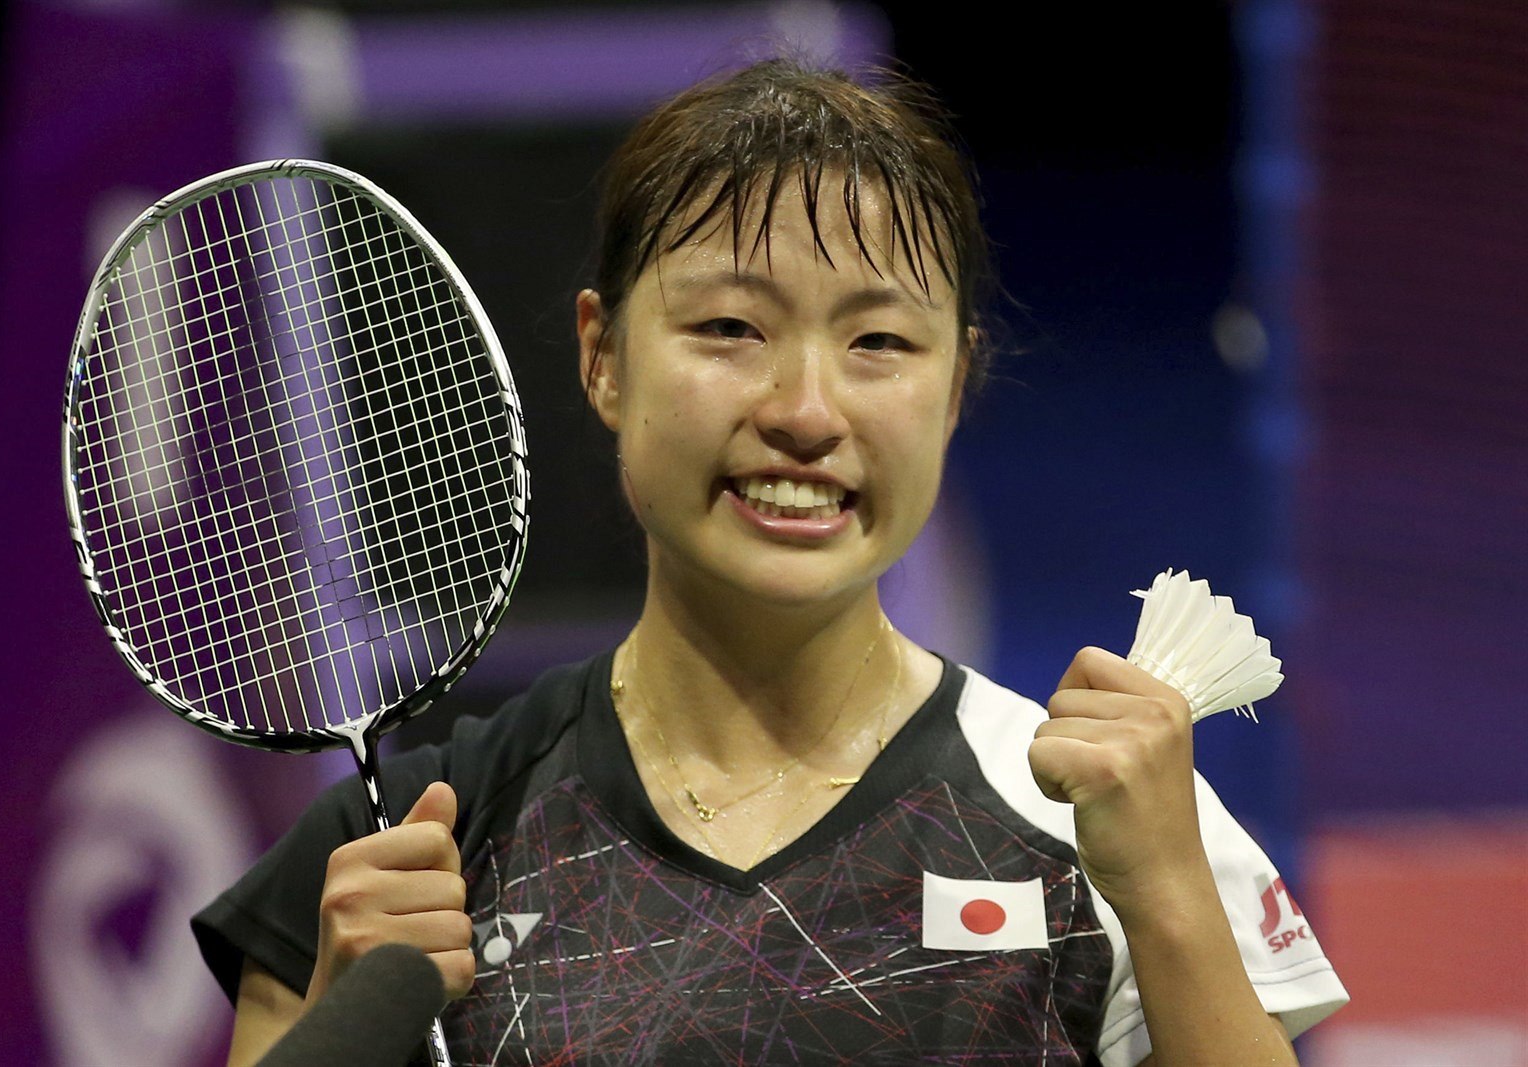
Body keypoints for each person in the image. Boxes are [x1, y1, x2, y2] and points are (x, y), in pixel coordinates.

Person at [194, 58, 1347, 1065]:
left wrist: (1168, 895)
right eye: (729, 329)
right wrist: (348, 1027)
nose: (804, 410)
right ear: (602, 357)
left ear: (955, 385)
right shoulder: (393, 862)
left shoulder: (1112, 829)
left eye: (878, 341)